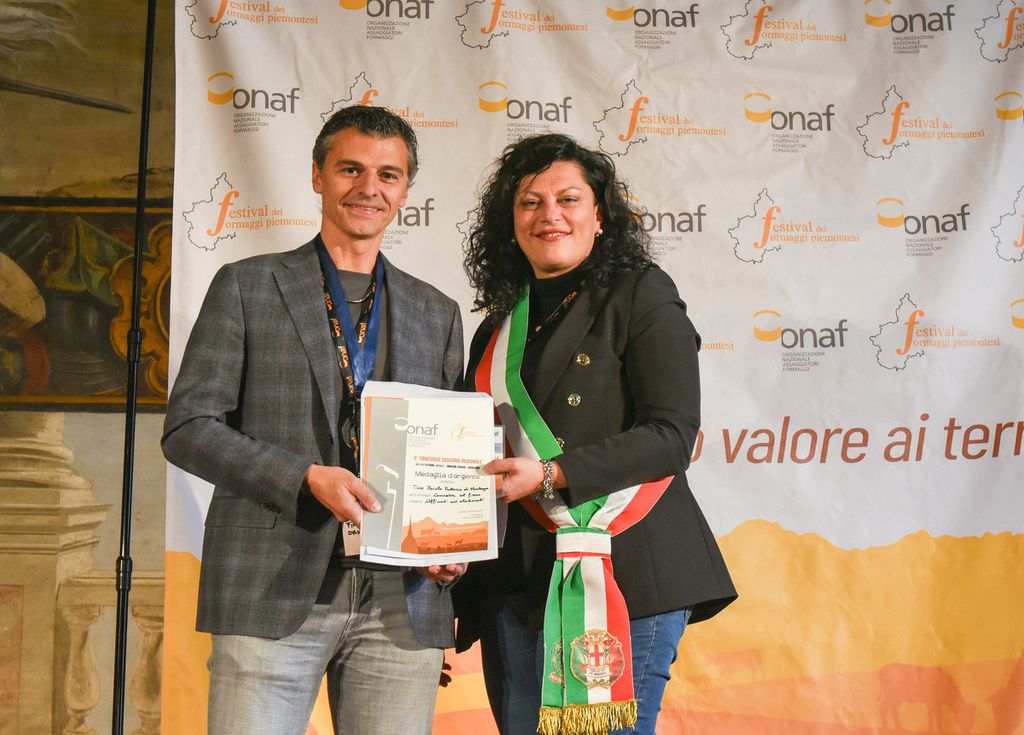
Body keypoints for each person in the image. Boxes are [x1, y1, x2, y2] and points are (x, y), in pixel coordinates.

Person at [162, 105, 465, 735]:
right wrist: (303, 477)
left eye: (388, 175)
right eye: (351, 169)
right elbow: (189, 427)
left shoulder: (436, 311)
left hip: (400, 600)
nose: (369, 187)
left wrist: (452, 543)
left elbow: (445, 451)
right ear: (317, 176)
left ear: (405, 190)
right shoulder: (246, 286)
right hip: (269, 585)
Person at [456, 133, 737, 735]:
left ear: (600, 214)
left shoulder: (640, 292)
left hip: (623, 571)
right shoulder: (496, 328)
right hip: (515, 583)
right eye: (530, 202)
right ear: (510, 221)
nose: (549, 215)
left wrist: (552, 474)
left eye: (568, 199)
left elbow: (671, 434)